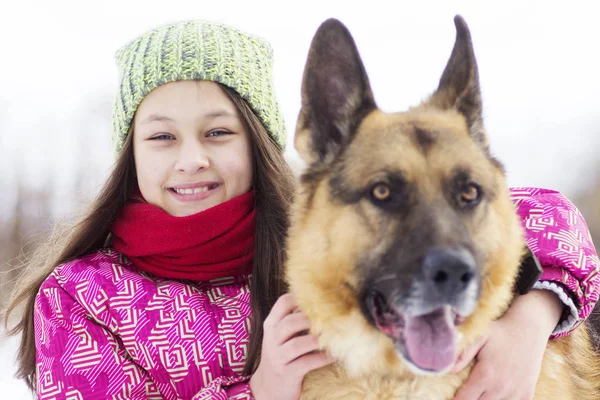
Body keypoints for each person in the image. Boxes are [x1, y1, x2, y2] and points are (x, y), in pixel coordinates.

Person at [3, 20, 598, 400]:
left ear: (258, 142)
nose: (191, 160)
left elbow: (542, 214)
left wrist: (530, 320)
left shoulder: (312, 235)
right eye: (161, 138)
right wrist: (258, 394)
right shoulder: (81, 297)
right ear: (128, 155)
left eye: (218, 133)